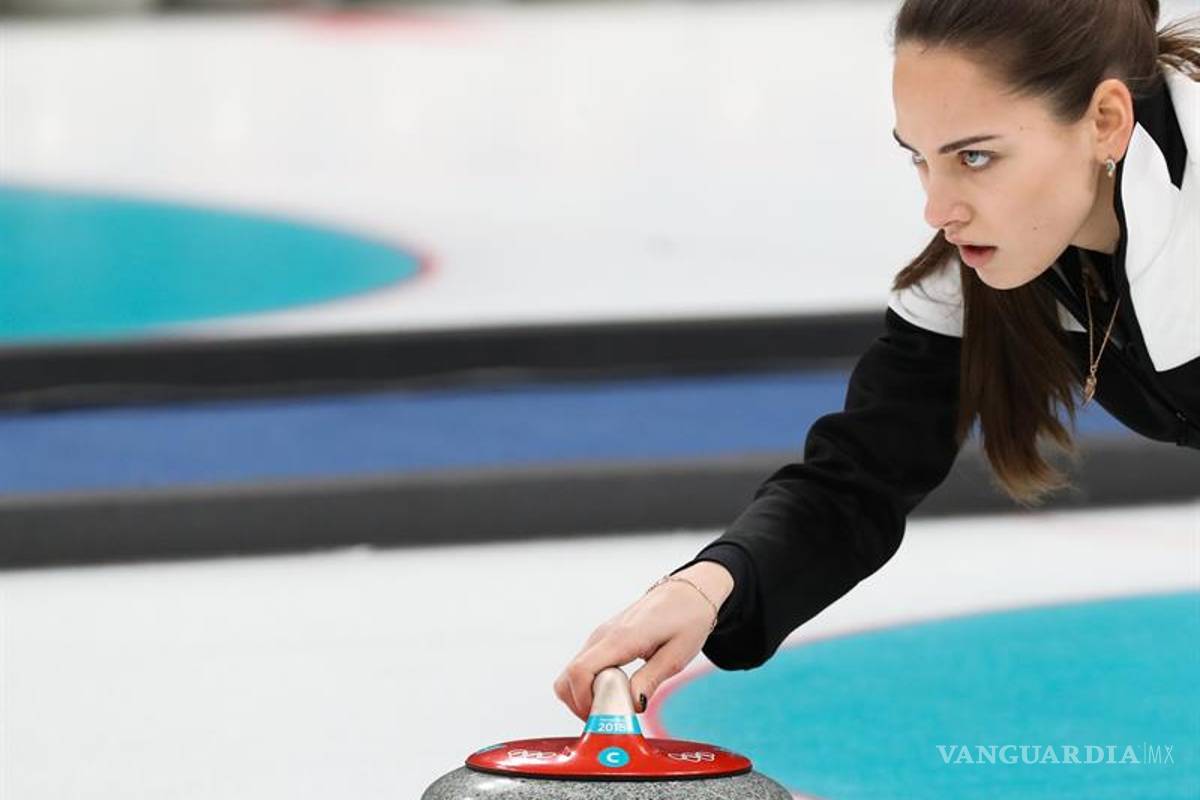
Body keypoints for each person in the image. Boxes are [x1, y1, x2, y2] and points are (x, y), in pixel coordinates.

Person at [554, 0, 1200, 722]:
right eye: (919, 158)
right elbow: (860, 476)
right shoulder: (985, 269)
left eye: (975, 157)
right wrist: (709, 586)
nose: (937, 207)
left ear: (1105, 122)